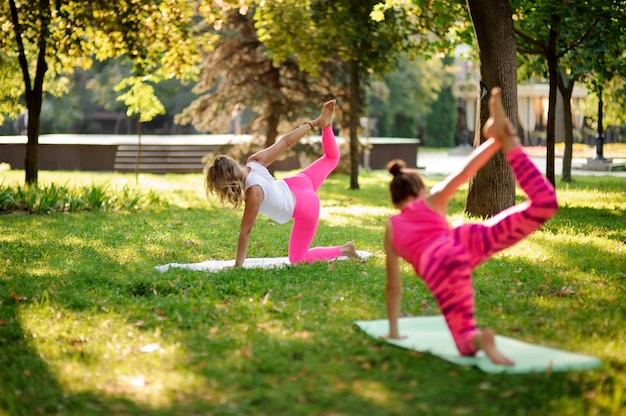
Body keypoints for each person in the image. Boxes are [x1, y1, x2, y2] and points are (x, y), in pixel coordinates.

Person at [383, 87, 558, 365]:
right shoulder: (431, 201)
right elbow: (466, 171)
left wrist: (393, 330)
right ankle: (507, 138)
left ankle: (480, 341)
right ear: (419, 189)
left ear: (396, 202)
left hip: (441, 264)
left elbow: (393, 287)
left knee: (464, 336)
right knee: (544, 204)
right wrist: (496, 142)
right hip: (465, 239)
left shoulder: (392, 227)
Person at [206, 99, 358, 267]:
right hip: (300, 183)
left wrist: (237, 266)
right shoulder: (254, 161)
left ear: (226, 183)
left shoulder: (253, 192)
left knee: (297, 259)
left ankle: (345, 249)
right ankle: (326, 125)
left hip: (304, 207)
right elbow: (285, 142)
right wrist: (313, 123)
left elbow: (245, 232)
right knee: (331, 157)